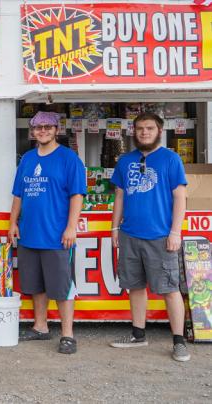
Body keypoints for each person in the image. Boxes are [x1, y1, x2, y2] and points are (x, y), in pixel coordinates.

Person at [109, 112, 190, 362]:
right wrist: (114, 229)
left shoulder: (170, 159)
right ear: (133, 131)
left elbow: (180, 197)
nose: (144, 132)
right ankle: (138, 334)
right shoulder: (125, 161)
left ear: (159, 131)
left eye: (149, 128)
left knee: (169, 289)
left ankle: (179, 341)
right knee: (134, 286)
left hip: (160, 236)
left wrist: (175, 232)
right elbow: (120, 197)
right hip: (130, 234)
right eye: (140, 128)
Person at [9, 111, 86, 354]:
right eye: (38, 127)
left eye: (47, 127)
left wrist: (71, 226)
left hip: (57, 235)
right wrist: (13, 223)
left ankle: (67, 334)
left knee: (62, 287)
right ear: (32, 131)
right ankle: (40, 327)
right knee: (36, 285)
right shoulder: (27, 159)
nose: (42, 131)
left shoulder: (69, 159)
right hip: (30, 233)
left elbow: (77, 195)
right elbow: (18, 195)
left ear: (56, 130)